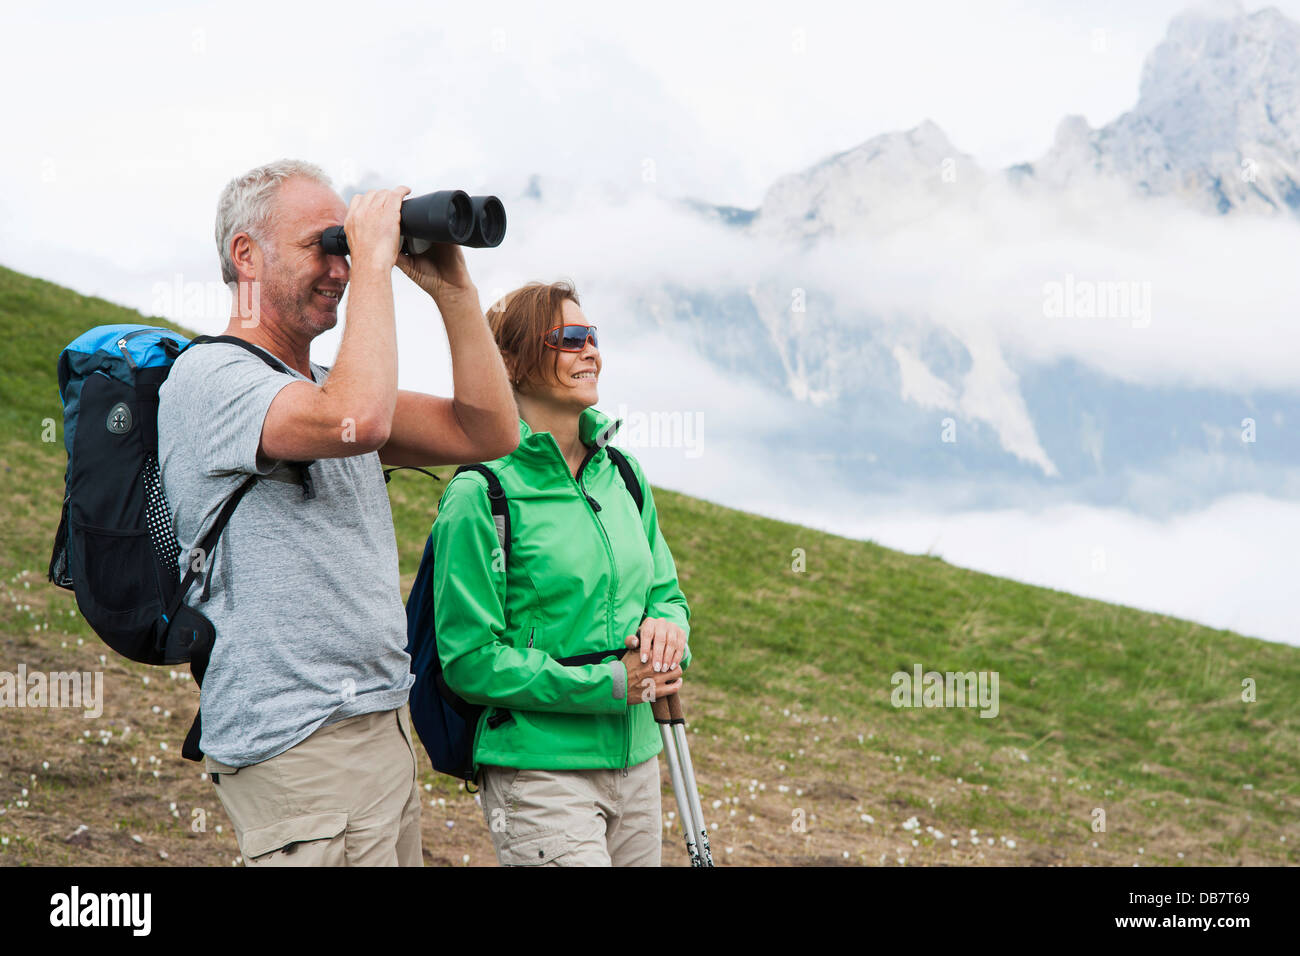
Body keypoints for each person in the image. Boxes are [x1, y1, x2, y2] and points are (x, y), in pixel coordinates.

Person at [157, 159, 518, 866]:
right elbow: (358, 416)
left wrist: (454, 291)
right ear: (246, 256)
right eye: (323, 245)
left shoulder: (327, 388)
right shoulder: (210, 379)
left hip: (375, 730)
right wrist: (379, 263)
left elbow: (490, 433)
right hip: (300, 743)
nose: (341, 267)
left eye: (345, 249)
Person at [429, 280, 692, 866]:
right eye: (569, 339)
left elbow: (665, 594)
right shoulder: (482, 493)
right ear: (515, 363)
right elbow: (470, 661)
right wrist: (612, 685)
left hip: (639, 761)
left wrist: (669, 631)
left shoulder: (622, 474)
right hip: (540, 774)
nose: (590, 350)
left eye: (592, 336)